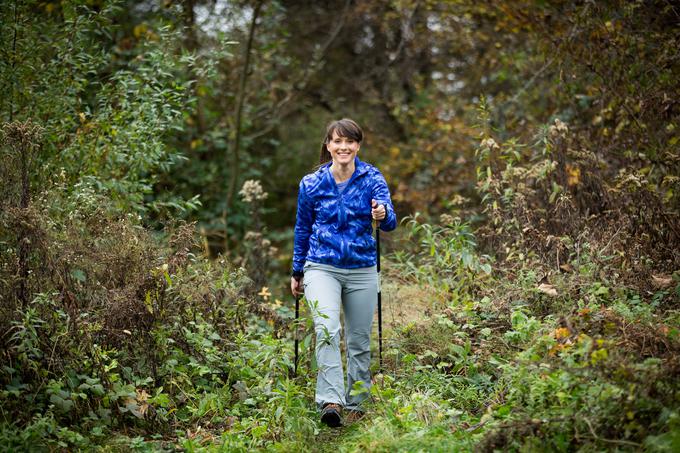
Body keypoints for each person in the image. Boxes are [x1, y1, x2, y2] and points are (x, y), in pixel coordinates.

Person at [290, 118, 397, 427]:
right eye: (337, 142)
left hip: (362, 268)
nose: (344, 147)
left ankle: (358, 401)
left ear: (357, 146)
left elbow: (389, 222)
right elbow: (302, 229)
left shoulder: (372, 178)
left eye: (349, 142)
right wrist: (297, 271)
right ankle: (331, 400)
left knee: (359, 338)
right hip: (321, 266)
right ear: (328, 146)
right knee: (326, 329)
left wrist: (383, 212)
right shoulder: (312, 184)